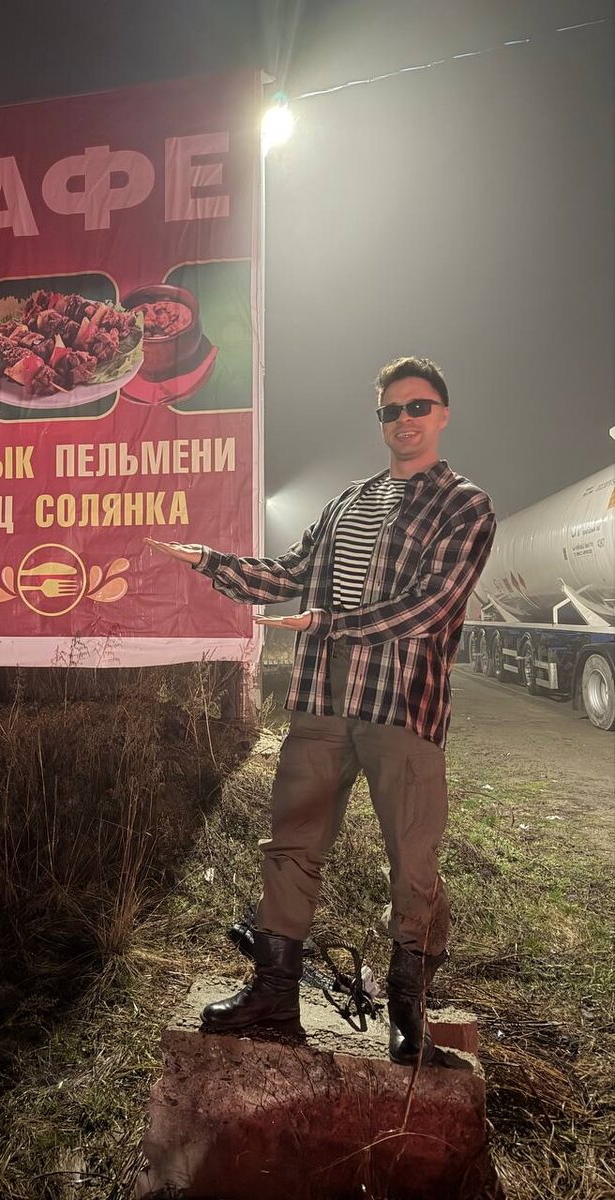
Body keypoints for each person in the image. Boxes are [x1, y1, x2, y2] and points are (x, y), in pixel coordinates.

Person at [145, 356, 496, 1065]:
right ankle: (274, 996)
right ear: (380, 420)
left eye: (418, 407)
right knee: (292, 844)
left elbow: (432, 607)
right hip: (321, 702)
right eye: (391, 410)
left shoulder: (464, 505)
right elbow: (290, 573)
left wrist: (330, 624)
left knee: (413, 862)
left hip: (401, 705)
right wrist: (211, 562)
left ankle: (408, 1014)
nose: (404, 420)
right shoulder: (348, 501)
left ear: (443, 414)